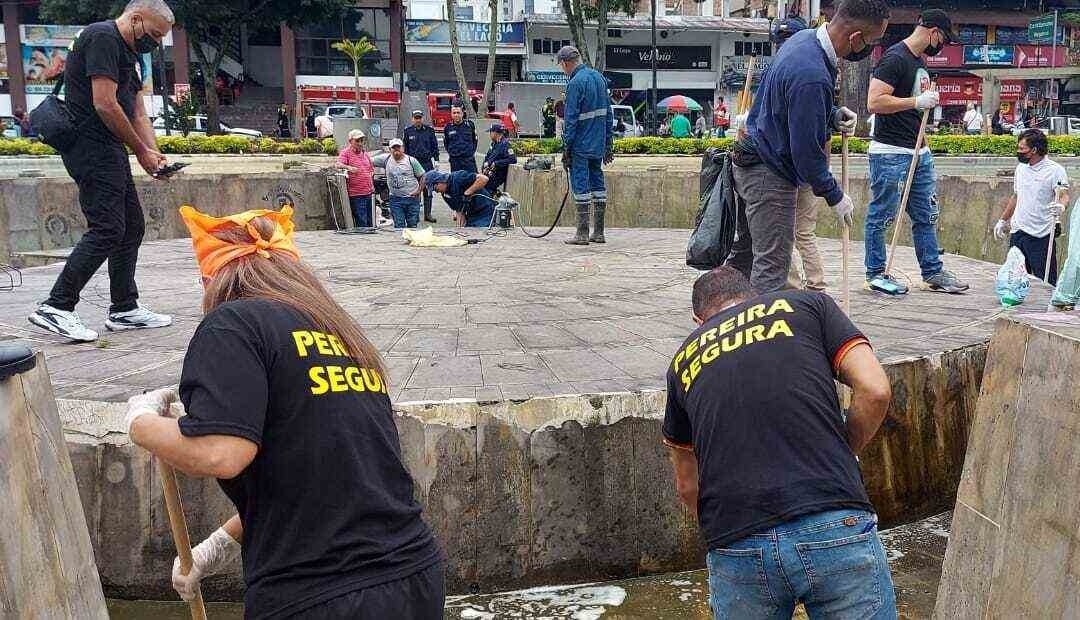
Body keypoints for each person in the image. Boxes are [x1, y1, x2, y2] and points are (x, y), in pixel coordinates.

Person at [127, 205, 445, 619]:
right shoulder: (339, 335)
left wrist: (141, 423)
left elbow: (221, 453)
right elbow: (327, 477)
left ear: (213, 278)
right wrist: (218, 545)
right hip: (413, 576)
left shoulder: (231, 324)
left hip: (317, 593)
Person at [664, 266, 894, 619]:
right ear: (754, 297)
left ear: (699, 320)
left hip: (737, 540)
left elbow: (687, 485)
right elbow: (875, 390)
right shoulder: (808, 306)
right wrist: (841, 454)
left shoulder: (682, 363)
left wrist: (730, 530)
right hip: (831, 515)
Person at [28, 0, 175, 342]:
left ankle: (124, 308)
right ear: (136, 19)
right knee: (107, 228)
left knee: (131, 226)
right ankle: (57, 305)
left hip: (110, 149)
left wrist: (153, 154)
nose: (155, 42)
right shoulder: (102, 37)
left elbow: (137, 111)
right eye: (153, 34)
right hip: (89, 144)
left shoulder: (131, 54)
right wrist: (140, 149)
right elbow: (104, 102)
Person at [725, 0, 883, 293]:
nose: (869, 49)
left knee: (747, 256)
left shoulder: (805, 40)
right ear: (856, 38)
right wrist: (835, 196)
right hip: (768, 173)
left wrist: (831, 115)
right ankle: (763, 334)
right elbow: (807, 156)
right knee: (772, 267)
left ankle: (730, 320)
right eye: (872, 41)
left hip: (755, 160)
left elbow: (791, 110)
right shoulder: (811, 74)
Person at [865, 9, 968, 295]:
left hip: (918, 152)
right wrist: (916, 101)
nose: (942, 45)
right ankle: (875, 272)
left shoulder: (918, 61)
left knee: (927, 214)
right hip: (890, 153)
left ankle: (933, 271)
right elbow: (874, 102)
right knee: (882, 216)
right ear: (934, 32)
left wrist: (925, 145)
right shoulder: (895, 58)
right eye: (944, 38)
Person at [993, 129, 1070, 286]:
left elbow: (1063, 195)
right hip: (1018, 231)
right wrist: (1002, 220)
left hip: (1041, 234)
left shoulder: (1055, 170)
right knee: (1015, 278)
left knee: (1046, 281)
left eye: (1022, 149)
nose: (1018, 152)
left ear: (1034, 150)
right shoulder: (1021, 168)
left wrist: (1060, 207)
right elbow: (1016, 196)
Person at [557, 45, 614, 246]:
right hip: (598, 144)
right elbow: (609, 114)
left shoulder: (575, 83)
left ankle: (582, 233)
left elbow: (571, 120)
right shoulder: (599, 78)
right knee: (597, 183)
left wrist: (566, 148)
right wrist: (608, 144)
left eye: (562, 66)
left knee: (581, 184)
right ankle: (598, 232)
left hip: (581, 144)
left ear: (565, 63)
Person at [373, 138, 426, 228]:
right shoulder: (385, 159)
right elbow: (366, 160)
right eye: (394, 148)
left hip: (411, 199)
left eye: (398, 147)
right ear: (390, 150)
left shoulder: (411, 161)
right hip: (395, 199)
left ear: (403, 148)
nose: (396, 150)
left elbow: (423, 176)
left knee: (412, 225)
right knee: (398, 225)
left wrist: (419, 191)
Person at [403, 109, 440, 223]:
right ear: (412, 119)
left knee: (428, 189)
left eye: (419, 118)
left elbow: (434, 146)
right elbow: (406, 148)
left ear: (422, 118)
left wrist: (437, 160)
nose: (418, 120)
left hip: (427, 163)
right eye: (416, 118)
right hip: (414, 163)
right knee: (415, 188)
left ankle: (427, 214)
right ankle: (415, 214)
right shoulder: (408, 131)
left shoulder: (429, 131)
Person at [787, 186, 828, 290]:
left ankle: (792, 287)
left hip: (784, 177)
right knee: (805, 234)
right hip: (811, 178)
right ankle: (816, 285)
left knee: (783, 233)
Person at [423, 169, 493, 228]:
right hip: (472, 214)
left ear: (440, 181)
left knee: (480, 233)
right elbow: (459, 211)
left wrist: (468, 192)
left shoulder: (459, 177)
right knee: (467, 232)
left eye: (435, 189)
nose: (436, 192)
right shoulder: (445, 194)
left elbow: (484, 179)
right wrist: (459, 228)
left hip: (485, 210)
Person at [335, 129, 375, 228]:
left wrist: (372, 185)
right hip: (356, 194)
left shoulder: (365, 154)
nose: (360, 143)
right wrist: (349, 167)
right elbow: (338, 164)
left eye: (361, 140)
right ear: (350, 141)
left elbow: (370, 170)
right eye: (357, 141)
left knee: (370, 221)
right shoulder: (346, 153)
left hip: (368, 192)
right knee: (362, 221)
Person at [482, 123, 517, 192]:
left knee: (485, 189)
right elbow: (488, 156)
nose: (490, 134)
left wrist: (496, 163)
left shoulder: (505, 144)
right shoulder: (494, 144)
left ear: (496, 133)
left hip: (497, 175)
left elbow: (512, 159)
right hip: (488, 173)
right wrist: (485, 165)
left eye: (490, 132)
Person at [444, 104, 478, 173]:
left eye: (458, 113)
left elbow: (475, 140)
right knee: (456, 182)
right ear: (451, 114)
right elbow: (446, 143)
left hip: (468, 160)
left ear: (462, 114)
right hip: (455, 161)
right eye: (454, 113)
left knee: (472, 180)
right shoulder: (448, 127)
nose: (456, 115)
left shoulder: (470, 125)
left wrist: (470, 152)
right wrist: (452, 153)